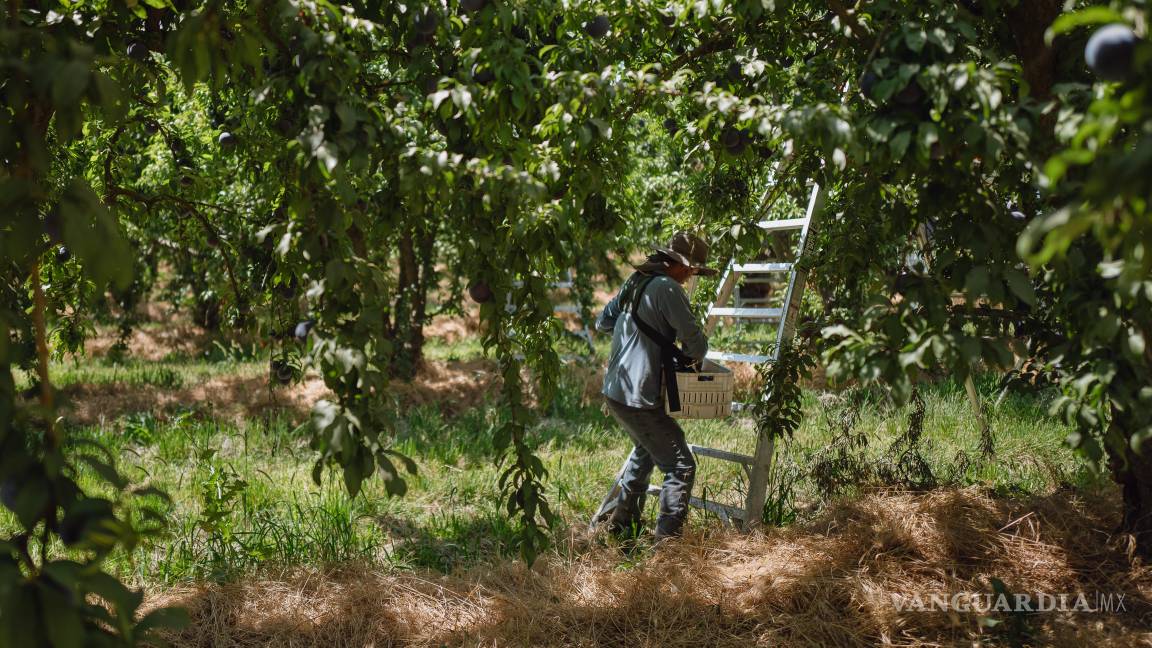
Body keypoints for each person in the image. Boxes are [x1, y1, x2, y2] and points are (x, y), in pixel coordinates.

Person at [595, 231, 717, 540]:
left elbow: (603, 322)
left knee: (645, 450)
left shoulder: (635, 282)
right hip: (639, 394)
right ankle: (667, 548)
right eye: (691, 269)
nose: (691, 275)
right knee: (680, 465)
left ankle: (622, 527)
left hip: (616, 390)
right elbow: (697, 346)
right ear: (676, 264)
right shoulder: (668, 288)